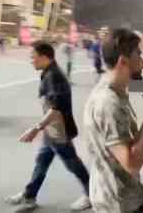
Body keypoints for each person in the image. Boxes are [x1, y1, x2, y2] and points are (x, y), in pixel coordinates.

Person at [82, 28, 143, 213]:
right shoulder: (107, 102)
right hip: (120, 204)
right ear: (123, 61)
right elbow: (131, 164)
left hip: (128, 195)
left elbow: (121, 139)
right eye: (139, 55)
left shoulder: (118, 89)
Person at [6, 42, 91, 212]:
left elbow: (56, 108)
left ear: (45, 57)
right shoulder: (48, 73)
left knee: (72, 164)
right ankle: (29, 196)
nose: (31, 61)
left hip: (59, 130)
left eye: (33, 57)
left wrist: (35, 128)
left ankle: (92, 194)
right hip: (52, 129)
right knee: (42, 162)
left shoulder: (53, 75)